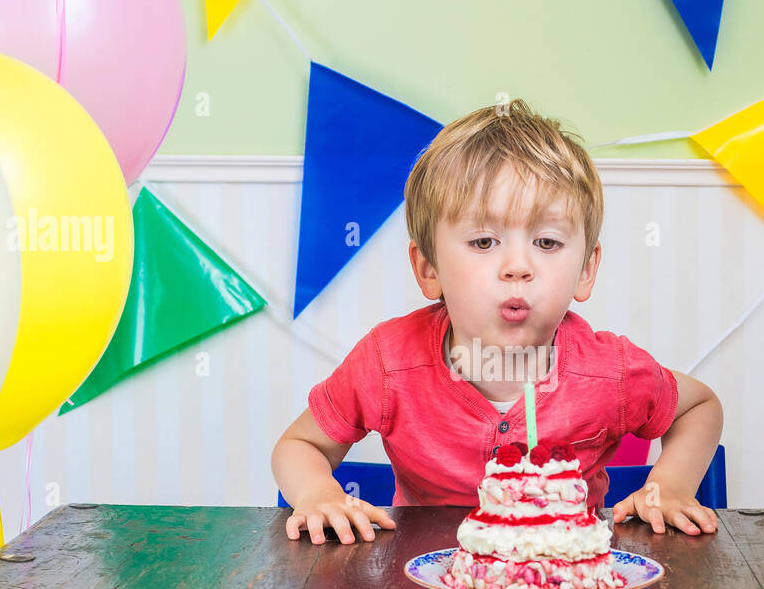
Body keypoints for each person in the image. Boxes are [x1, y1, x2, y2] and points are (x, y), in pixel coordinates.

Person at [271, 99, 724, 545]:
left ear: (586, 269)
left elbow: (699, 408)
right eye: (484, 241)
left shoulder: (611, 371)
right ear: (429, 269)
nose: (517, 266)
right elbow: (299, 446)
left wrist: (670, 486)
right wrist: (318, 493)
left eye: (547, 242)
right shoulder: (388, 363)